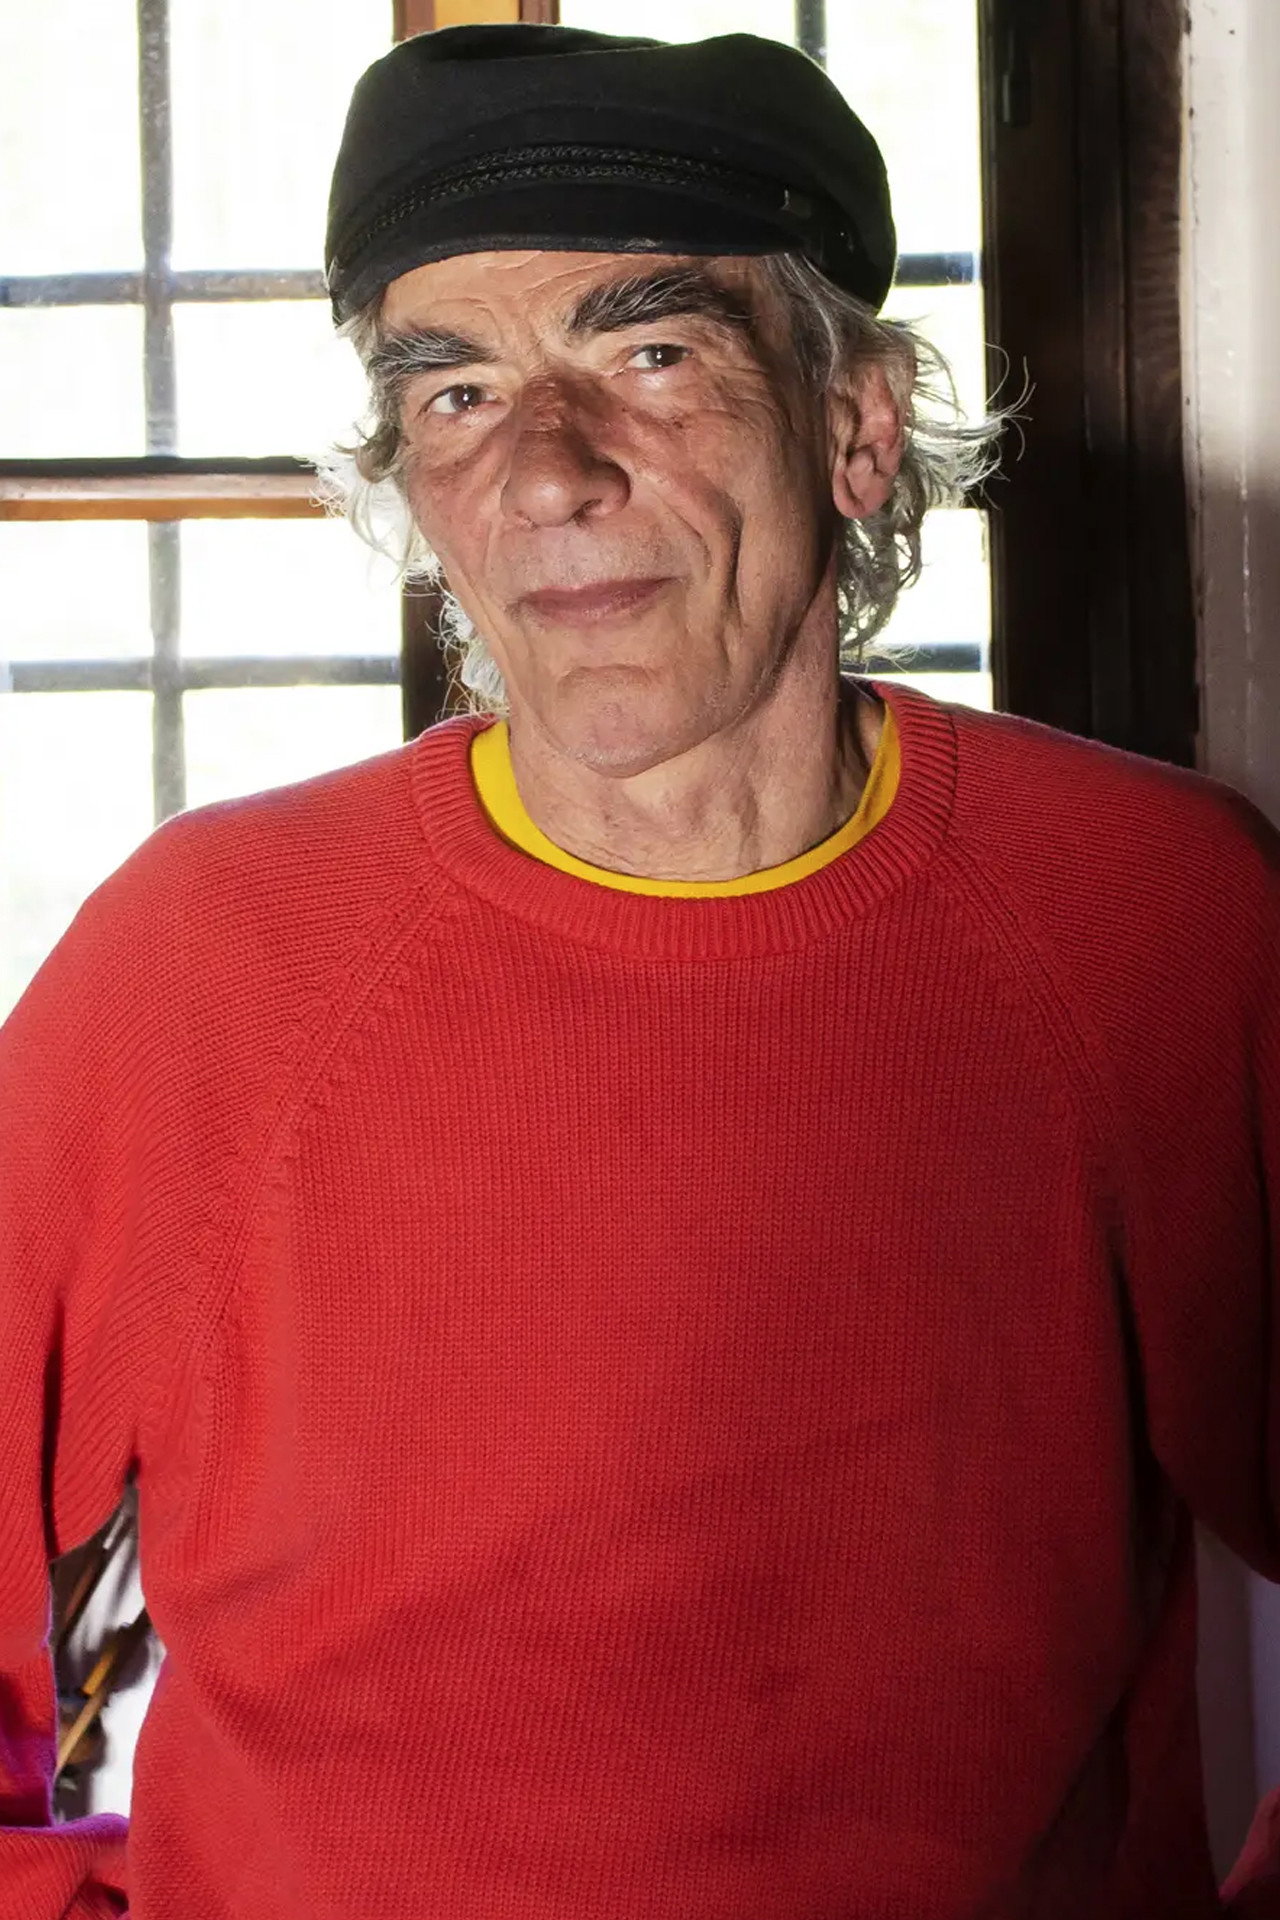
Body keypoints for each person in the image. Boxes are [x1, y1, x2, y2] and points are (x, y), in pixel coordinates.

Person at [1, 23, 1278, 1919]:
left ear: (855, 426)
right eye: (454, 392)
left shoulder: (1158, 916)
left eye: (650, 354)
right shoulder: (206, 956)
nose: (545, 473)